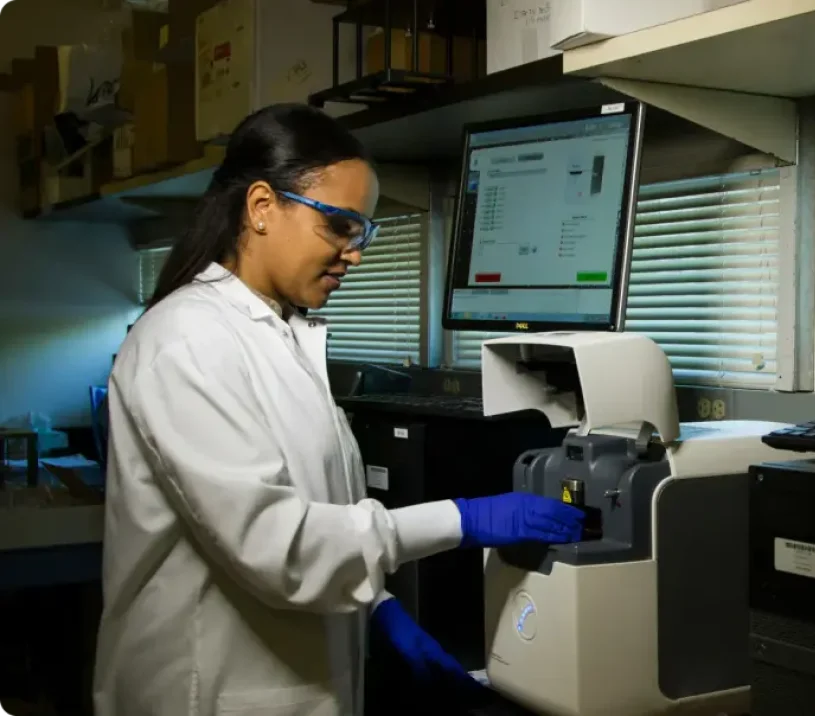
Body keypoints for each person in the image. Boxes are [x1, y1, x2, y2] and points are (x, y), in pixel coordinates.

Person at [93, 103, 584, 716]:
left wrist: (375, 609)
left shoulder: (281, 336)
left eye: (363, 232)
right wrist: (461, 519)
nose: (354, 252)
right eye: (339, 226)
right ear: (262, 207)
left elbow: (320, 516)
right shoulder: (187, 341)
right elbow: (279, 546)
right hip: (205, 693)